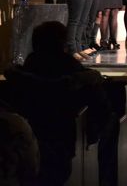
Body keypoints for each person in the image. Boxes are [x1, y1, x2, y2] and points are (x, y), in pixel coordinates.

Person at [5, 21, 118, 186]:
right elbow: (102, 109)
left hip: (32, 139)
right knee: (112, 122)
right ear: (63, 44)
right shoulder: (72, 70)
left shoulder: (25, 70)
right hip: (61, 141)